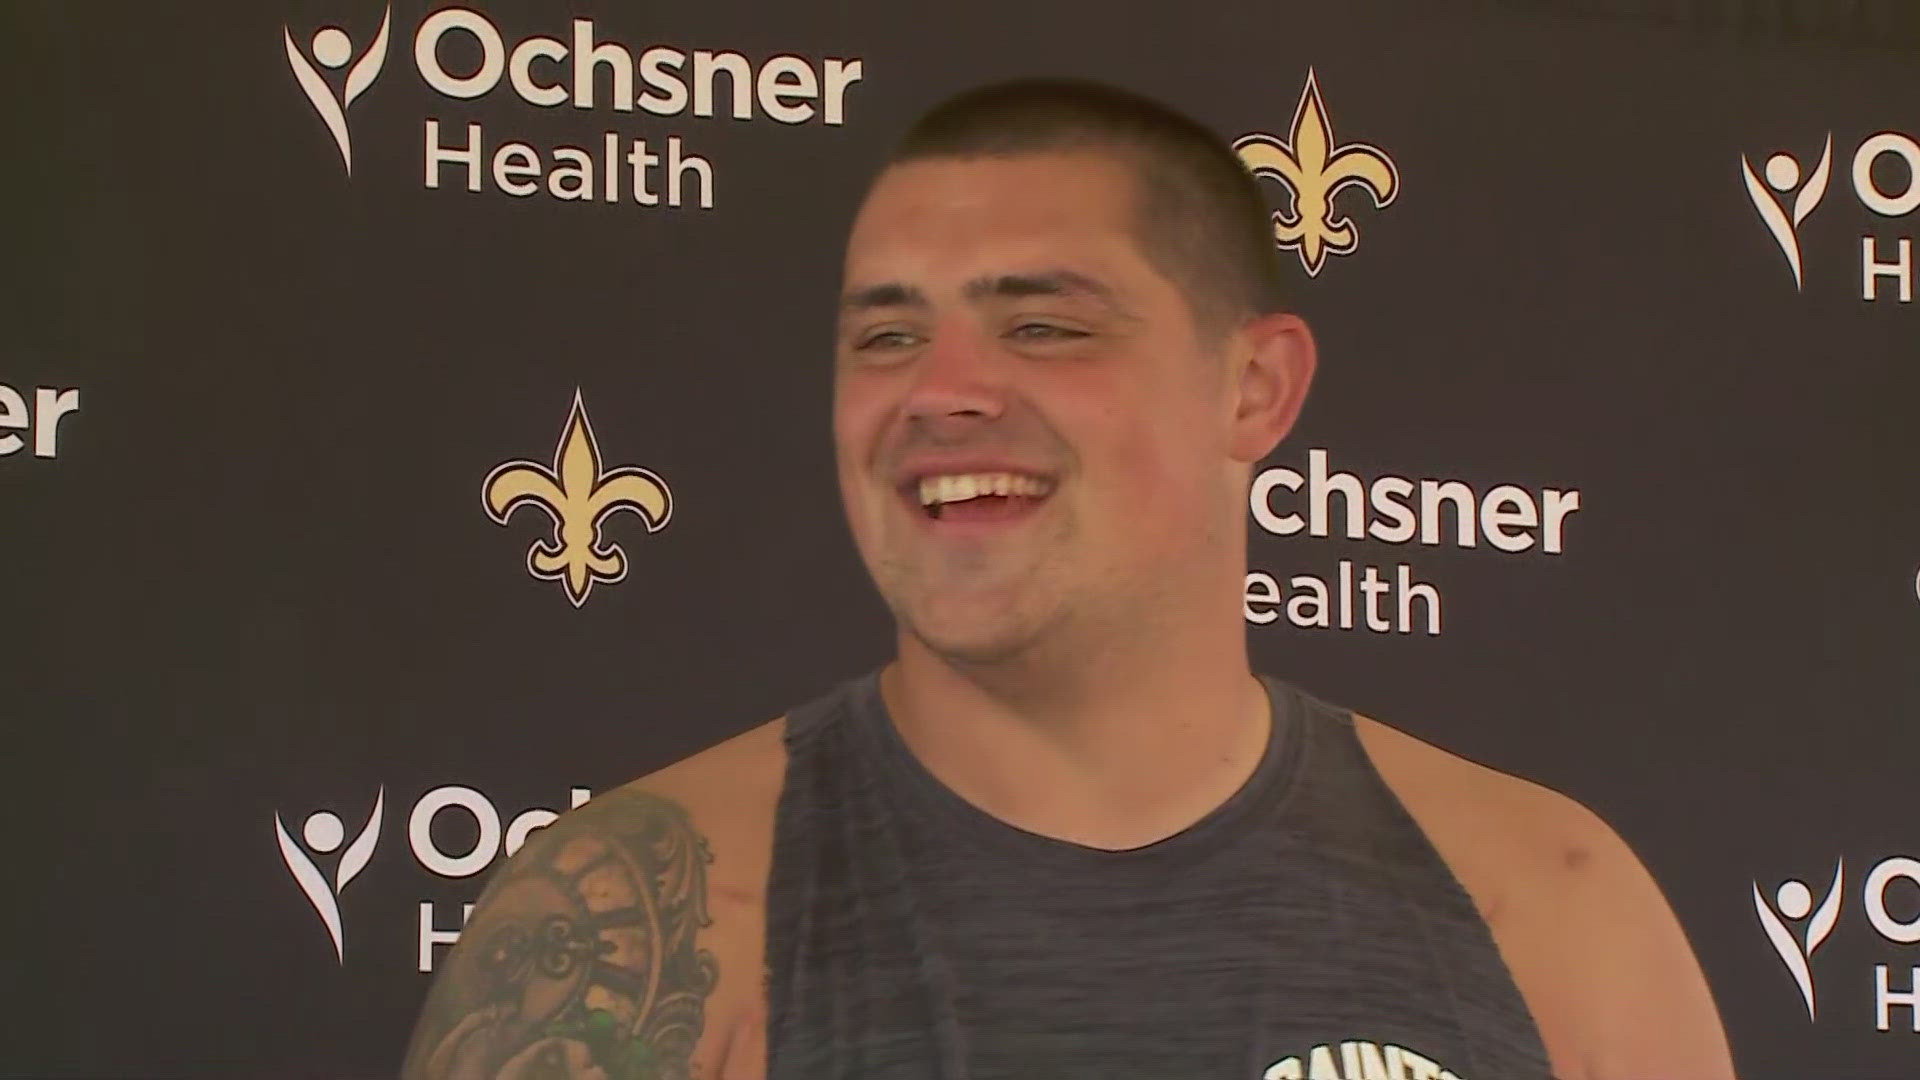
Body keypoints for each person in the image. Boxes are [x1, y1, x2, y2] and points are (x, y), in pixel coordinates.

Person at [401, 78, 1736, 1080]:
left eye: (1042, 325)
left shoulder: (1547, 905)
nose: (941, 393)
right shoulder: (640, 928)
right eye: (887, 335)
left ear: (1255, 387)